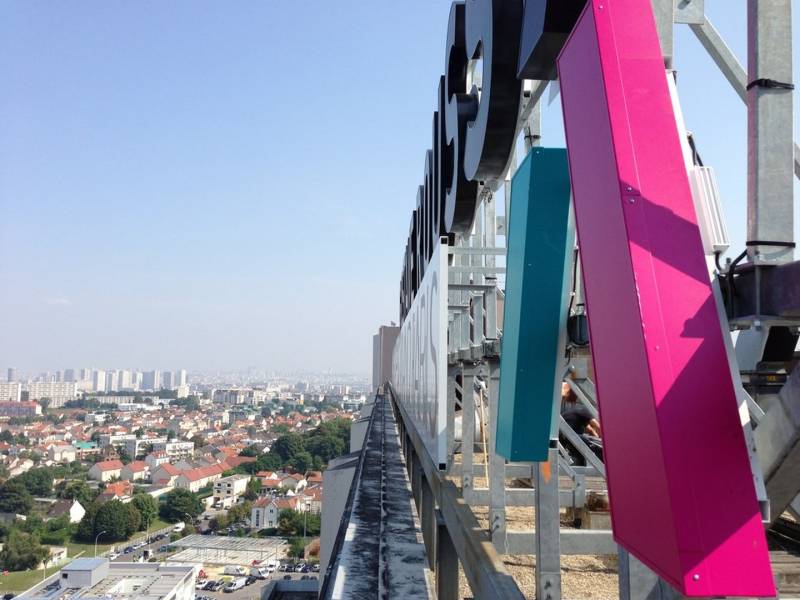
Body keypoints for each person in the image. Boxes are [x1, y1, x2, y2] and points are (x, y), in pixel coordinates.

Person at [560, 381, 602, 465]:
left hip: (565, 443)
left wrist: (596, 436)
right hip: (574, 440)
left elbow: (590, 429)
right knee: (597, 448)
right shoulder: (581, 409)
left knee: (584, 444)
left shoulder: (566, 411)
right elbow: (597, 426)